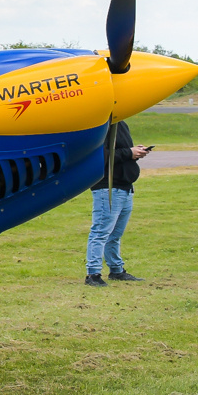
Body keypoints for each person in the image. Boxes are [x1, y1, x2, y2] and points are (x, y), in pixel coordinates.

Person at [85, 121, 150, 286]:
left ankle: (116, 270)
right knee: (101, 231)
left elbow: (119, 151)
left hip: (125, 187)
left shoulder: (122, 124)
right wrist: (129, 152)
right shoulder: (101, 125)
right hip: (108, 187)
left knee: (115, 235)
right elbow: (100, 154)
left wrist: (136, 151)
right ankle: (93, 274)